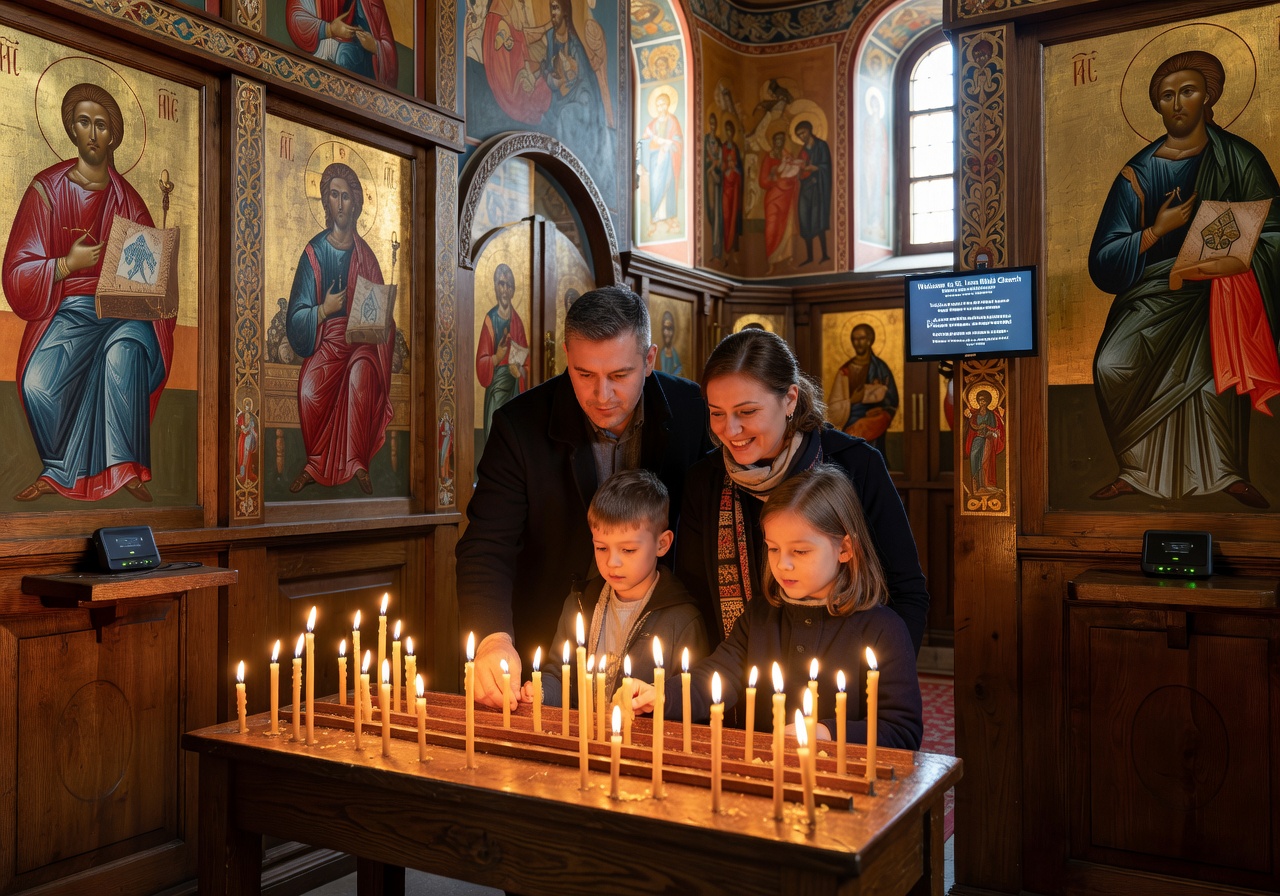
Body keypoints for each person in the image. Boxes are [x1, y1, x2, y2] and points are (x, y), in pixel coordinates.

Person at [457, 285, 713, 709]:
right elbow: (486, 546)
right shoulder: (519, 426)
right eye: (584, 375)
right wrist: (493, 639)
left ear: (649, 360)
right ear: (566, 357)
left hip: (667, 652)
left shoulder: (694, 411)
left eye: (619, 375)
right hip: (551, 660)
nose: (602, 395)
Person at [1088, 50, 1280, 508]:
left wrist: (1242, 260)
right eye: (1166, 95)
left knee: (1215, 370)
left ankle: (1226, 472)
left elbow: (1274, 226)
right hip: (1151, 292)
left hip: (1220, 291)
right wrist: (1156, 231)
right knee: (1110, 365)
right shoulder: (1137, 173)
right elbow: (1103, 259)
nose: (1177, 103)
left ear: (1208, 97)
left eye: (1187, 91)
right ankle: (1135, 469)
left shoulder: (1239, 159)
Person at [674, 328, 930, 655]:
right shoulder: (705, 480)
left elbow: (907, 593)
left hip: (841, 685)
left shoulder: (856, 465)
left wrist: (885, 684)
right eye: (717, 413)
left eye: (747, 411)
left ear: (790, 400)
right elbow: (696, 598)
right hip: (738, 687)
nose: (731, 430)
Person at [635, 465, 922, 749]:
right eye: (773, 548)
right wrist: (663, 695)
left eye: (800, 551)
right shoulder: (760, 616)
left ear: (845, 549)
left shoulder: (884, 629)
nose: (782, 564)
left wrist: (826, 732)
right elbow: (716, 675)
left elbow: (901, 731)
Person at [4, 83, 174, 503]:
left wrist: (151, 280)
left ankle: (123, 466)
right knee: (37, 383)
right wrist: (66, 265)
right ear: (72, 130)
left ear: (113, 135)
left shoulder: (129, 201)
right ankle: (59, 469)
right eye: (84, 122)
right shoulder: (46, 190)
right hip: (68, 310)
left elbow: (154, 281)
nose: (93, 132)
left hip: (123, 313)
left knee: (125, 353)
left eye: (101, 125)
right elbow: (17, 270)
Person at [524, 469, 707, 707]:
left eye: (628, 550)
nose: (612, 562)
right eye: (601, 548)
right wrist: (542, 691)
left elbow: (691, 698)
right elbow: (560, 674)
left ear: (662, 544)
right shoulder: (579, 603)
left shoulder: (683, 620)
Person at [286, 162, 394, 496]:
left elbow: (380, 315)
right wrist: (323, 310)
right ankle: (315, 462)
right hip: (326, 341)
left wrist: (382, 321)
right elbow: (296, 316)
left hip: (361, 345)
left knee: (361, 375)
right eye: (334, 195)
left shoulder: (368, 257)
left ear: (356, 204)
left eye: (346, 196)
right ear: (326, 202)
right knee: (308, 388)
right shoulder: (313, 253)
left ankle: (357, 462)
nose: (340, 203)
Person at [286, 0, 399, 87]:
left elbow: (388, 48)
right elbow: (295, 17)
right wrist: (329, 29)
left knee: (346, 56)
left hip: (358, 83)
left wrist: (375, 46)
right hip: (315, 69)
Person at [825, 323, 899, 455]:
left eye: (862, 338)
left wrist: (881, 408)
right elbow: (833, 408)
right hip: (850, 420)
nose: (857, 343)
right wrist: (851, 401)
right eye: (854, 339)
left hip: (875, 421)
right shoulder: (845, 371)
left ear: (870, 340)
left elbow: (892, 399)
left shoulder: (881, 368)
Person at [476, 262, 530, 444]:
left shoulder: (518, 322)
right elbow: (481, 362)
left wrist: (520, 372)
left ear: (513, 290)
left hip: (514, 388)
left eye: (509, 285)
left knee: (511, 436)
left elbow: (526, 363)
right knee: (495, 434)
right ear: (495, 287)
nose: (505, 290)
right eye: (501, 284)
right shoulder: (490, 320)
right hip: (496, 387)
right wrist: (497, 357)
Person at [642, 89, 682, 239]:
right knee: (656, 187)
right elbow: (645, 141)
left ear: (668, 105)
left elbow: (678, 140)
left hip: (668, 161)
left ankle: (669, 217)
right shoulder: (653, 123)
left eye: (663, 104)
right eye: (658, 105)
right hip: (655, 164)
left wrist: (667, 144)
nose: (660, 108)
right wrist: (653, 142)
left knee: (668, 187)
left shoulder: (673, 121)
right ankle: (656, 218)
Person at [760, 130, 800, 272]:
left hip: (786, 197)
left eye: (782, 140)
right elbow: (762, 182)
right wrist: (773, 176)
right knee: (771, 228)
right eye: (777, 140)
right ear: (773, 141)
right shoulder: (768, 158)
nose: (779, 142)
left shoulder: (787, 156)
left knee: (786, 228)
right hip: (773, 198)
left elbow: (794, 173)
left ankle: (787, 258)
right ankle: (771, 261)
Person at [795, 120, 831, 265]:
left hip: (818, 188)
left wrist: (814, 168)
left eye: (803, 132)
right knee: (805, 219)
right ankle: (809, 257)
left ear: (809, 130)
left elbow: (826, 166)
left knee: (818, 219)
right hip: (805, 189)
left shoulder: (821, 146)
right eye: (799, 135)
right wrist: (798, 170)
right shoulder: (802, 151)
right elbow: (801, 168)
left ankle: (824, 254)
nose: (802, 136)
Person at [965, 389, 1004, 494]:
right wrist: (969, 418)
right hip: (977, 440)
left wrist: (988, 430)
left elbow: (993, 427)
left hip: (987, 439)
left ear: (988, 401)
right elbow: (972, 426)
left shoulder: (991, 414)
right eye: (980, 400)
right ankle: (976, 487)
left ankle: (987, 485)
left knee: (985, 461)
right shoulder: (975, 415)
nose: (982, 402)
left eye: (984, 400)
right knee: (974, 459)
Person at [721, 119, 744, 258]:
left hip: (735, 186)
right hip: (726, 186)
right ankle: (726, 247)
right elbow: (720, 166)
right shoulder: (723, 147)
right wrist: (725, 167)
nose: (729, 133)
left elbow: (741, 169)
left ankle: (734, 248)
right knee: (726, 214)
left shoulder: (735, 147)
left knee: (735, 215)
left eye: (731, 130)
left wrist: (734, 167)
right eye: (727, 130)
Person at [704, 113, 724, 262]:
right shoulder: (705, 140)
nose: (712, 126)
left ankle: (717, 247)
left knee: (717, 211)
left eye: (714, 123)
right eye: (710, 123)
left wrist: (714, 167)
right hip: (709, 178)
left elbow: (720, 160)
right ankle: (713, 245)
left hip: (716, 179)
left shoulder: (718, 141)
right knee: (710, 208)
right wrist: (710, 168)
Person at [657, 310, 683, 376]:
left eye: (670, 329)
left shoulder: (673, 352)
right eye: (665, 328)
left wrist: (672, 376)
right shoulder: (659, 352)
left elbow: (679, 367)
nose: (667, 333)